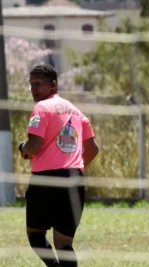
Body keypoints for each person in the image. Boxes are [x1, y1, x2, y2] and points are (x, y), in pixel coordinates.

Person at [19, 64, 99, 267]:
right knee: (64, 244)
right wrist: (75, 167)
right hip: (75, 181)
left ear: (53, 85)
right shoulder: (76, 112)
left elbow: (34, 147)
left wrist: (23, 148)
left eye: (38, 83)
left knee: (35, 234)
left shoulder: (41, 108)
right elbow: (93, 149)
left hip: (46, 179)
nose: (34, 88)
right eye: (31, 84)